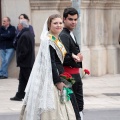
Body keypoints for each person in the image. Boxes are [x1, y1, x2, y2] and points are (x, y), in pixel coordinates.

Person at [19, 14, 76, 120]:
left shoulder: (56, 39)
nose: (58, 25)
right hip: (52, 77)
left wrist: (72, 56)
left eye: (60, 23)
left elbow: (59, 57)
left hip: (60, 74)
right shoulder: (48, 40)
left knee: (70, 102)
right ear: (49, 25)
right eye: (55, 23)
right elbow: (51, 63)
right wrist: (58, 81)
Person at [59, 7, 84, 120]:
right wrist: (76, 58)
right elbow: (63, 56)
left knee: (78, 105)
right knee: (72, 106)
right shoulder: (64, 35)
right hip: (68, 75)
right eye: (70, 19)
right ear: (64, 19)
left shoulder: (70, 33)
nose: (73, 22)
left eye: (75, 19)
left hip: (74, 74)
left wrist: (78, 56)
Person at [10, 20, 35, 101]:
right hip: (27, 62)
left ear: (22, 26)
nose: (18, 26)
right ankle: (20, 95)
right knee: (22, 79)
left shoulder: (24, 35)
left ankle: (34, 95)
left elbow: (24, 51)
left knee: (28, 80)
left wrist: (20, 58)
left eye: (19, 24)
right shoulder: (29, 34)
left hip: (25, 62)